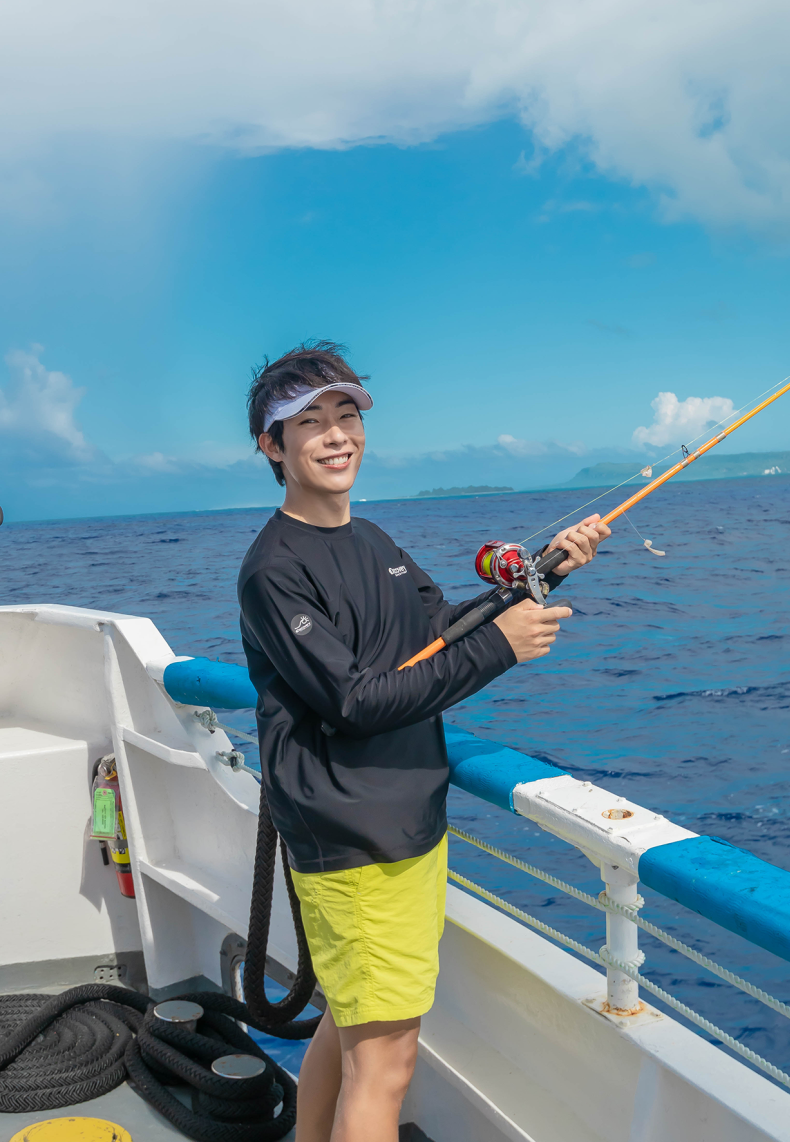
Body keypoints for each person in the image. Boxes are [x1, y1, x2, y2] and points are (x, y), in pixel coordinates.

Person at [238, 341, 610, 1142]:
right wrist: (503, 647)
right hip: (357, 839)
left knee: (349, 1021)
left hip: (401, 821)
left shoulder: (370, 540)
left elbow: (436, 632)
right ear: (273, 447)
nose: (337, 436)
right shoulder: (275, 569)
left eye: (347, 415)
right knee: (387, 1066)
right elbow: (356, 699)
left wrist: (546, 572)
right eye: (310, 422)